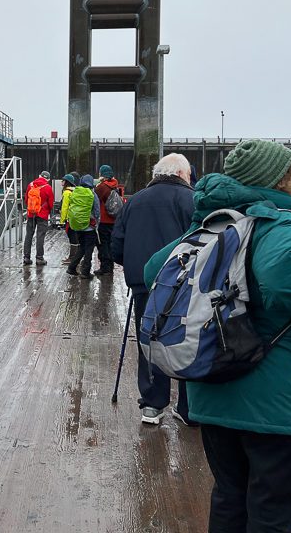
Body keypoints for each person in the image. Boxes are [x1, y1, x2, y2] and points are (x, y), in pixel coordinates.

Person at [145, 140, 291, 532]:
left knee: (229, 496)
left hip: (214, 385)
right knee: (272, 510)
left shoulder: (213, 220)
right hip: (275, 399)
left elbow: (155, 269)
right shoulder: (279, 222)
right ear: (273, 180)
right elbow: (289, 280)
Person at [110, 153, 197, 426]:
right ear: (183, 174)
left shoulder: (133, 201)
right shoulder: (191, 200)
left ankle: (152, 404)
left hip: (143, 285)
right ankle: (188, 407)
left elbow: (117, 245)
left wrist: (135, 267)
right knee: (187, 340)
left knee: (150, 340)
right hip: (185, 285)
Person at [66, 174, 100, 279]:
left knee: (82, 247)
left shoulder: (75, 192)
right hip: (90, 227)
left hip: (78, 226)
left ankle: (71, 267)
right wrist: (97, 222)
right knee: (89, 249)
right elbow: (97, 210)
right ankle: (85, 272)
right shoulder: (92, 194)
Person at [23, 170, 54, 266]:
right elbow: (51, 203)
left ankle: (26, 257)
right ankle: (39, 258)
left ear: (39, 176)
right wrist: (47, 211)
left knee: (29, 235)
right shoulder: (48, 187)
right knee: (40, 236)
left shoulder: (30, 185)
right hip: (42, 215)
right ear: (48, 179)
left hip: (31, 214)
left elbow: (26, 200)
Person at [94, 164, 120, 276]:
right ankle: (110, 267)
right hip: (113, 220)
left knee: (102, 245)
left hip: (104, 220)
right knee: (110, 244)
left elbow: (94, 198)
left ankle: (105, 268)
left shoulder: (102, 187)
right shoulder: (115, 185)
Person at [60, 173, 78, 265]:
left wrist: (62, 220)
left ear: (66, 182)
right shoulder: (75, 191)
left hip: (69, 219)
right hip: (75, 218)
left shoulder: (67, 192)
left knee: (72, 238)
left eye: (63, 180)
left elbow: (64, 207)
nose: (61, 181)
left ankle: (72, 258)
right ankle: (77, 257)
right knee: (76, 238)